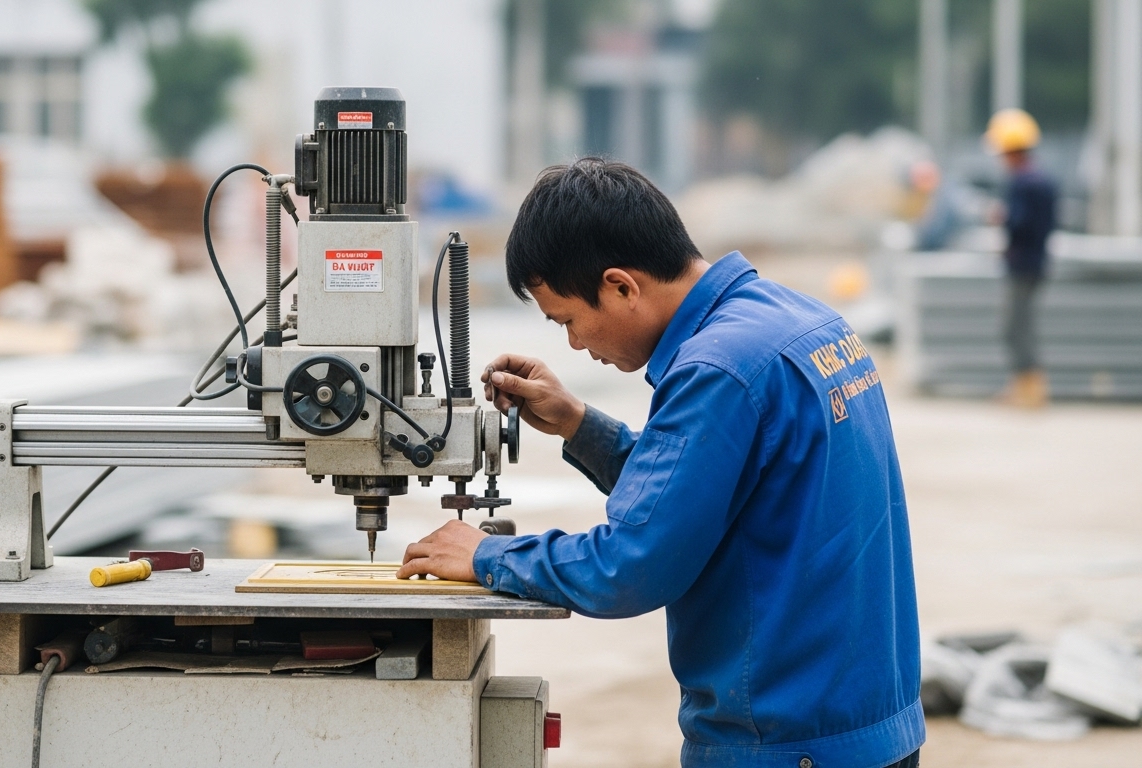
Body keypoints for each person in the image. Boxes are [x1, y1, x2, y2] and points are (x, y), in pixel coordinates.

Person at [399, 159, 923, 768]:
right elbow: (709, 498)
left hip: (785, 744)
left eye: (568, 320)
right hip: (866, 729)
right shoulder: (799, 322)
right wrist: (578, 423)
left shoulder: (715, 369)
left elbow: (631, 564)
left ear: (621, 285)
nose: (573, 343)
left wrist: (486, 556)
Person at [984, 108, 1057, 408]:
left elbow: (1019, 223)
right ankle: (1025, 386)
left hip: (1021, 266)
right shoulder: (1044, 180)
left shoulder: (1021, 183)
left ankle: (1028, 388)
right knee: (1022, 326)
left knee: (1015, 328)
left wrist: (1001, 217)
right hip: (1037, 263)